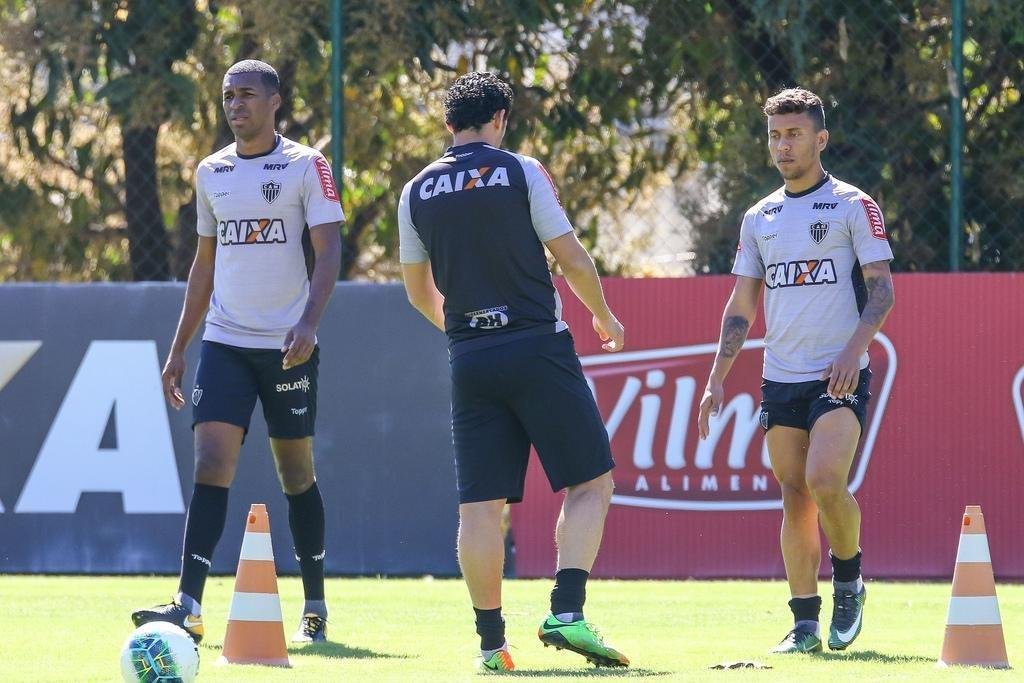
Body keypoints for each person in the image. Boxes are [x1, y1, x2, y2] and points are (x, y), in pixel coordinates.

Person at [398, 71, 630, 672]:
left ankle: (490, 644)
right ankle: (567, 611)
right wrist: (603, 315)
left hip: (470, 357)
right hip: (537, 346)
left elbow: (418, 293)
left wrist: (464, 329)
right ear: (499, 117)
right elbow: (571, 258)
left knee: (479, 507)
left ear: (448, 124)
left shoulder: (416, 190)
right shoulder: (519, 170)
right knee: (591, 482)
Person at [130, 59, 344, 645]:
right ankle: (189, 603)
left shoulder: (306, 166)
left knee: (295, 472)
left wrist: (307, 322)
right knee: (210, 463)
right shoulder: (211, 171)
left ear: (276, 101)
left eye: (247, 95)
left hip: (287, 348)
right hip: (225, 341)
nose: (235, 105)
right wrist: (178, 348)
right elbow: (204, 264)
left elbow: (328, 252)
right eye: (228, 96)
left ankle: (316, 603)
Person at [698, 88, 895, 655]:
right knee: (793, 494)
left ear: (820, 138)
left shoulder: (853, 204)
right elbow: (741, 307)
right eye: (775, 135)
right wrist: (717, 379)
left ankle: (851, 580)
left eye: (794, 134)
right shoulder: (760, 216)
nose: (783, 145)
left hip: (839, 374)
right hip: (780, 377)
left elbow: (882, 291)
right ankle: (805, 624)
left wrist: (851, 352)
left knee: (825, 480)